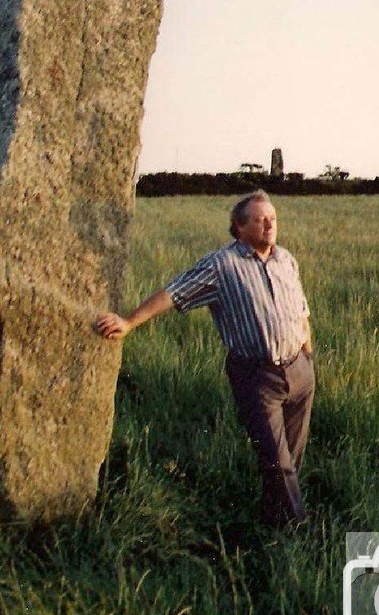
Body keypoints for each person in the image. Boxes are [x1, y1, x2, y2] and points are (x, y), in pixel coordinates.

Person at [94, 190, 314, 527]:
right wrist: (129, 322)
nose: (269, 224)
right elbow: (173, 293)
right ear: (239, 227)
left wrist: (308, 357)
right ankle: (297, 531)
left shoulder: (286, 259)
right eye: (260, 219)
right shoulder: (221, 266)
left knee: (292, 458)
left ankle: (273, 515)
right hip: (257, 376)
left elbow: (300, 309)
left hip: (299, 371)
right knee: (276, 460)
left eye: (273, 217)